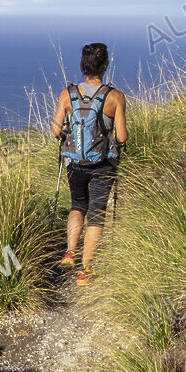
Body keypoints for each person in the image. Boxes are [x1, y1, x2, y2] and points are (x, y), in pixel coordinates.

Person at [50, 42, 128, 286]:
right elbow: (122, 137)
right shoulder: (114, 96)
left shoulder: (68, 93)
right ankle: (85, 271)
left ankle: (69, 253)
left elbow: (54, 131)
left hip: (75, 163)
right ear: (105, 65)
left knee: (77, 205)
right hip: (102, 165)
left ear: (83, 65)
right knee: (96, 213)